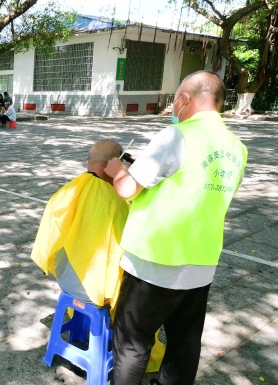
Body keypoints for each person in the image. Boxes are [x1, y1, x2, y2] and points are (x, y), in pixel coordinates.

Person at [103, 71, 247, 385]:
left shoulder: (176, 136)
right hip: (202, 263)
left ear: (184, 98)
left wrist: (118, 170)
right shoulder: (237, 147)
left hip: (155, 262)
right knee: (184, 342)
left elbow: (127, 189)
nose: (173, 109)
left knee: (132, 343)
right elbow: (201, 188)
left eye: (174, 101)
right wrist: (149, 164)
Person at [31, 140, 165, 374]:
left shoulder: (68, 190)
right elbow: (127, 252)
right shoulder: (116, 202)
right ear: (112, 164)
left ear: (88, 162)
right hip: (97, 291)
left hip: (67, 280)